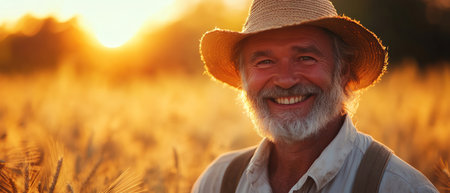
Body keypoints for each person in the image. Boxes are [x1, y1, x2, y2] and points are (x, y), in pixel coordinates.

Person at [192, 0, 438, 192]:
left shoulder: (398, 186)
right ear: (244, 78)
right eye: (265, 61)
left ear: (343, 71)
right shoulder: (218, 182)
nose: (285, 80)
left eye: (306, 58)